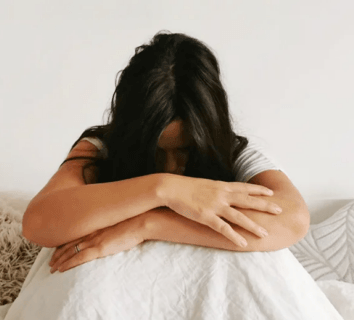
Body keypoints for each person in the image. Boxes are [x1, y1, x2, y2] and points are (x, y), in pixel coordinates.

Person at [22, 31, 311, 271]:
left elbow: (293, 221)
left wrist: (148, 224)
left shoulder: (233, 152)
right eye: (157, 151)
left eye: (185, 151)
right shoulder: (102, 148)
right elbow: (37, 224)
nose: (171, 167)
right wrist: (162, 189)